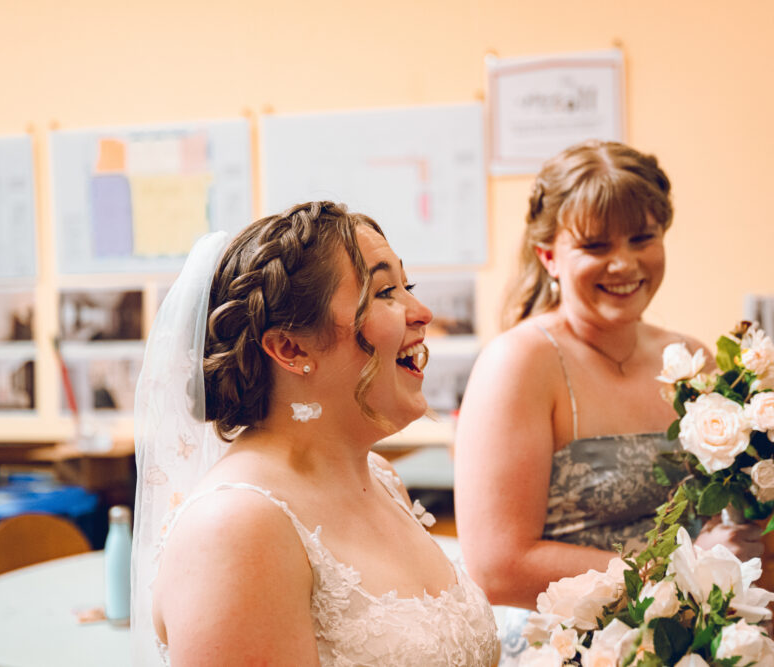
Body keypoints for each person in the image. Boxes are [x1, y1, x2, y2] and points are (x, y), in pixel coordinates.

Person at [131, 201, 500, 666]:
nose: (422, 312)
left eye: (409, 287)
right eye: (385, 291)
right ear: (289, 347)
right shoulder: (236, 527)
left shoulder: (381, 478)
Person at [453, 141, 762, 663]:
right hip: (564, 646)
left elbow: (720, 511)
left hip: (688, 642)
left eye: (643, 238)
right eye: (596, 246)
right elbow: (498, 566)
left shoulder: (693, 358)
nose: (624, 263)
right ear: (549, 255)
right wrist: (676, 570)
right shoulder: (518, 364)